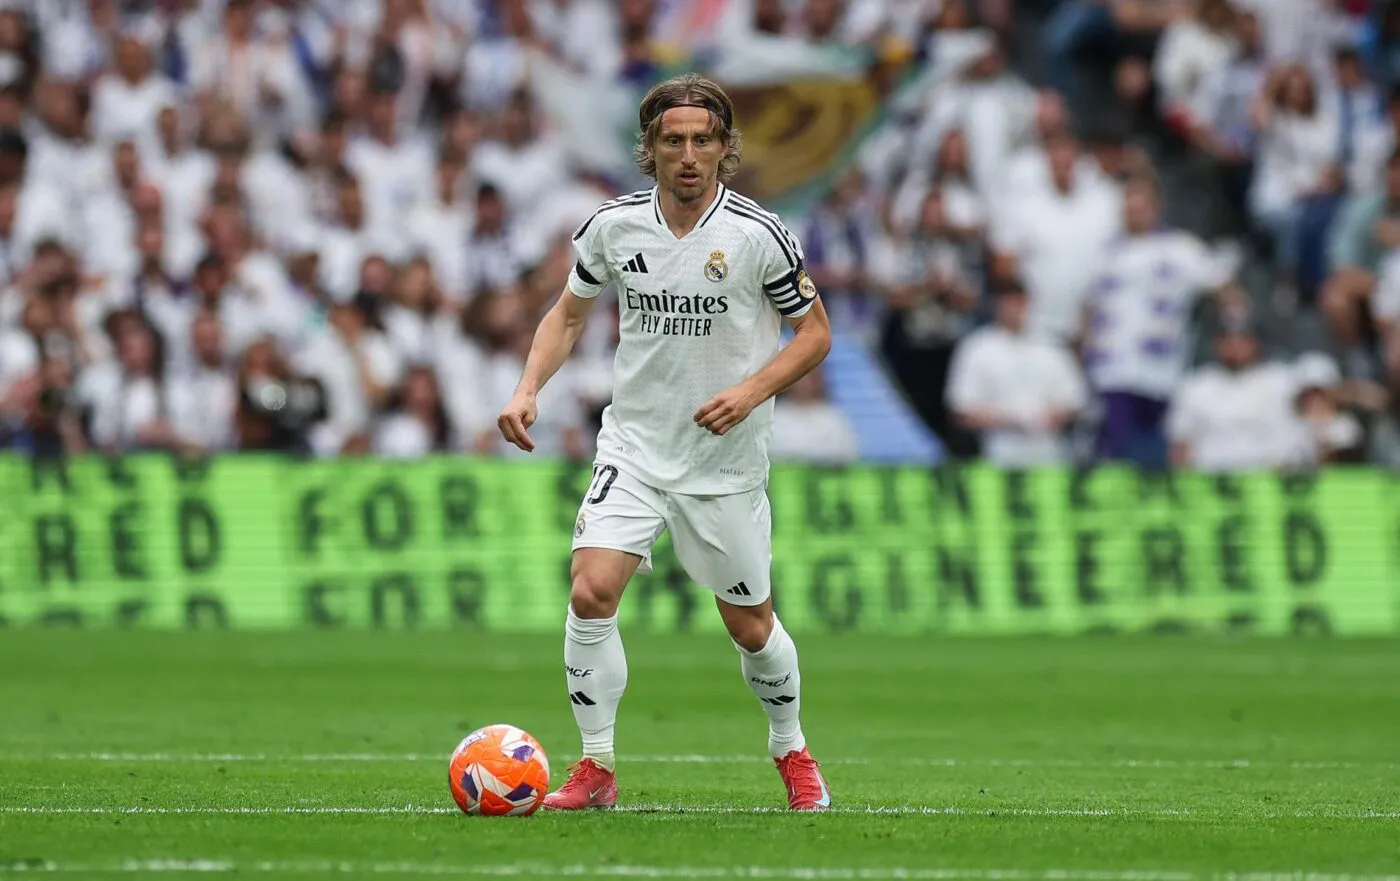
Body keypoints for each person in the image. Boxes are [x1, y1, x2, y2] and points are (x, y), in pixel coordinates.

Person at [496, 73, 834, 812]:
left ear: (723, 148)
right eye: (673, 140)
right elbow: (567, 315)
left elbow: (816, 335)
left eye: (703, 140)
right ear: (649, 148)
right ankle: (597, 767)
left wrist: (749, 392)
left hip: (724, 463)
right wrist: (527, 388)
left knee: (750, 625)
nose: (688, 154)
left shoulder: (758, 235)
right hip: (636, 450)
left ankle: (790, 744)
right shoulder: (613, 227)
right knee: (591, 589)